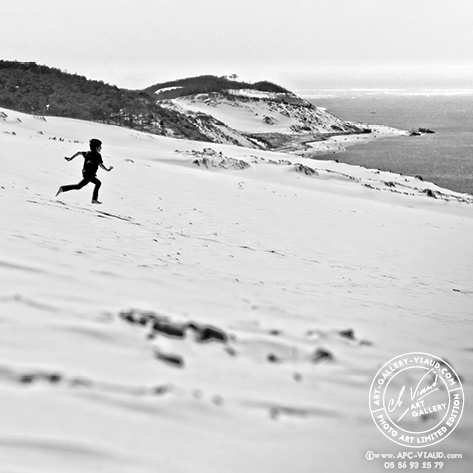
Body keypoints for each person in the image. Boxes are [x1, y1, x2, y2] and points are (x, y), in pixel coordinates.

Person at [56, 138, 113, 204]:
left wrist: (70, 159)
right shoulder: (98, 155)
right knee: (98, 183)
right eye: (100, 147)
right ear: (96, 147)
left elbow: (79, 153)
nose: (101, 148)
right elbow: (100, 165)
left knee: (78, 186)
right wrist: (107, 170)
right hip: (90, 174)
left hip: (85, 173)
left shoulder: (88, 153)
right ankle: (94, 199)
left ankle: (63, 188)